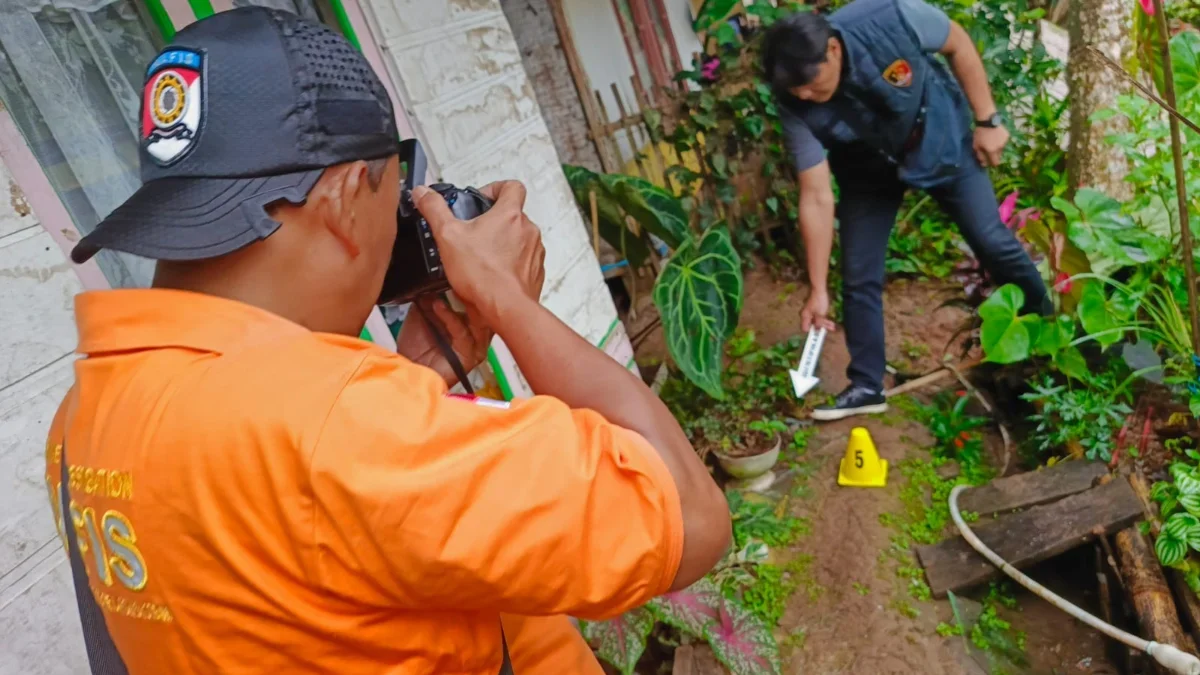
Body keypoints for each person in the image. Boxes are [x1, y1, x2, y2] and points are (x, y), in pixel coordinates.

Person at [44, 8, 730, 674]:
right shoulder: (344, 428)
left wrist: (416, 379)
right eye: (397, 194)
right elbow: (692, 518)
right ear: (345, 199)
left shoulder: (83, 418)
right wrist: (507, 299)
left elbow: (294, 555)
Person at [761, 0, 1051, 421]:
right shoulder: (794, 99)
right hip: (867, 169)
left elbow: (959, 42)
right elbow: (817, 194)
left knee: (992, 240)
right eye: (796, 92)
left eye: (809, 82)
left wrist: (988, 121)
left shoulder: (890, 18)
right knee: (858, 273)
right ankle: (866, 384)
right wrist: (817, 288)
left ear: (833, 51)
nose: (805, 95)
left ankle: (1051, 329)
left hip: (939, 139)